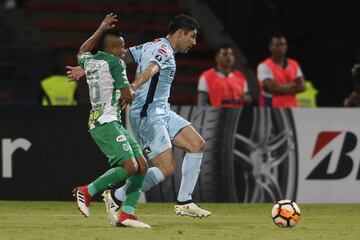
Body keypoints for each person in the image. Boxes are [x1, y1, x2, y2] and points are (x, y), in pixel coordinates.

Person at [67, 14, 211, 219]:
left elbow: (121, 55)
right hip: (147, 113)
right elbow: (152, 68)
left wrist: (88, 67)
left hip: (162, 110)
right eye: (192, 36)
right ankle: (117, 197)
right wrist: (132, 86)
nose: (194, 42)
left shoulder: (151, 45)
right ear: (180, 33)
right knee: (166, 168)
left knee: (197, 144)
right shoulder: (163, 51)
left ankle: (184, 201)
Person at [71, 13, 150, 228]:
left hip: (106, 120)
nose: (124, 51)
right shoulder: (116, 63)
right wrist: (139, 83)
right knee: (130, 166)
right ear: (112, 49)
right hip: (105, 122)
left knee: (142, 165)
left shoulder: (90, 60)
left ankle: (127, 215)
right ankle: (87, 191)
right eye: (121, 47)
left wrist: (99, 29)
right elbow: (128, 95)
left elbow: (82, 51)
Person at [257, 34, 306, 108]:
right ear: (270, 48)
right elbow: (271, 88)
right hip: (270, 108)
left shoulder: (294, 64)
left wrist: (278, 86)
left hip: (292, 108)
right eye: (277, 45)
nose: (281, 48)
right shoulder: (263, 66)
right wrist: (293, 85)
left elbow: (302, 87)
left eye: (283, 45)